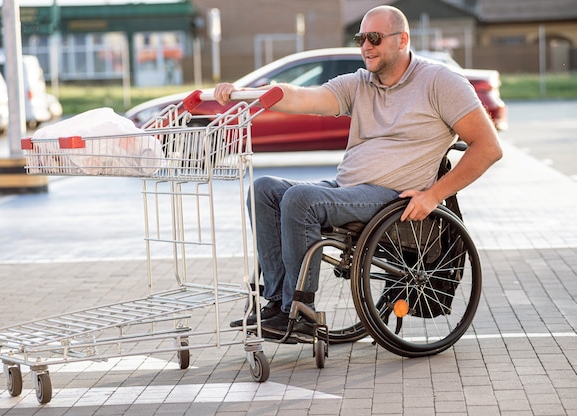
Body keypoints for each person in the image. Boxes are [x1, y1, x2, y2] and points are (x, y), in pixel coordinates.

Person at [214, 5, 503, 340]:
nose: (366, 45)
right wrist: (245, 92)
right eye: (361, 38)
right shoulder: (359, 83)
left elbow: (488, 147)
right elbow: (305, 98)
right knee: (263, 188)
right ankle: (278, 303)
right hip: (347, 189)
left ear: (402, 39)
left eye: (375, 38)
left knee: (301, 198)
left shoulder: (440, 82)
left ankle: (302, 311)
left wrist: (434, 195)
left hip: (390, 197)